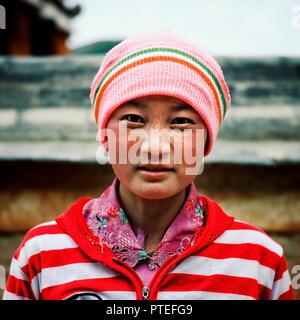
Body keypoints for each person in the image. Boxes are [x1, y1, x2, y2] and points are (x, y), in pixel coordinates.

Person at [3, 31, 295, 300]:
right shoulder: (41, 256)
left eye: (181, 122)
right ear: (105, 137)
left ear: (206, 141)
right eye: (133, 119)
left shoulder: (258, 261)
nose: (154, 146)